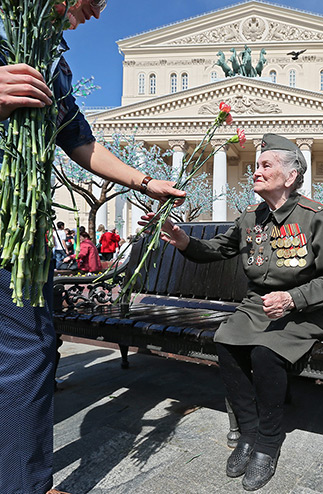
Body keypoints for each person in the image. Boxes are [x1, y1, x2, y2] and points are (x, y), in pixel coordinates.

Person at [0, 2, 185, 494]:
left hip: (17, 236)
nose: (97, 14)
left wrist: (146, 181)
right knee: (24, 354)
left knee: (28, 353)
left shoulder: (50, 57)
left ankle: (22, 482)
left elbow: (79, 140)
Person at [140, 133, 323, 491]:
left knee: (266, 354)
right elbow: (219, 249)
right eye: (255, 165)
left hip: (306, 310)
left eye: (266, 165)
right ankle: (248, 432)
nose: (257, 171)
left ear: (291, 175)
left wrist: (292, 299)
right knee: (227, 342)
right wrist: (183, 239)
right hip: (259, 307)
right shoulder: (251, 216)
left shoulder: (314, 216)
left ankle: (268, 442)